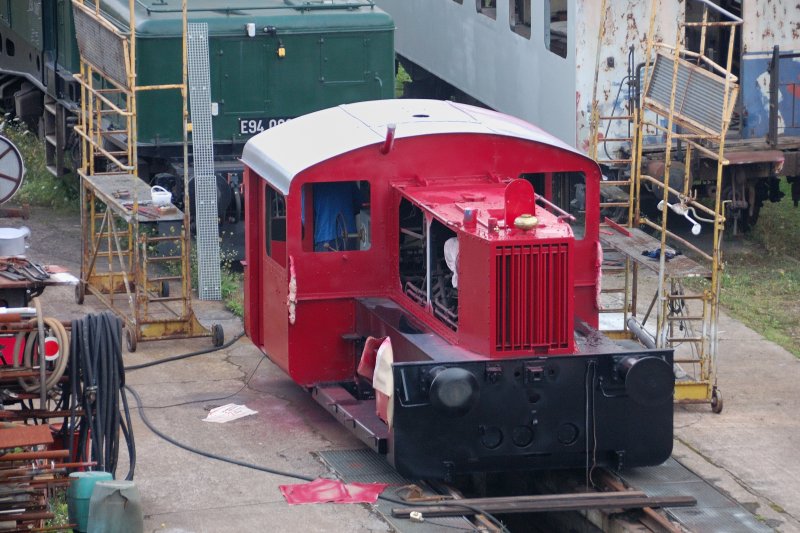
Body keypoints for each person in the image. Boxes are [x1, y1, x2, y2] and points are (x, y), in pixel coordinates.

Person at [311, 182, 362, 251]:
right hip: (349, 233)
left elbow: (307, 215)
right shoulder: (349, 181)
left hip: (324, 235)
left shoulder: (313, 184)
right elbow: (359, 205)